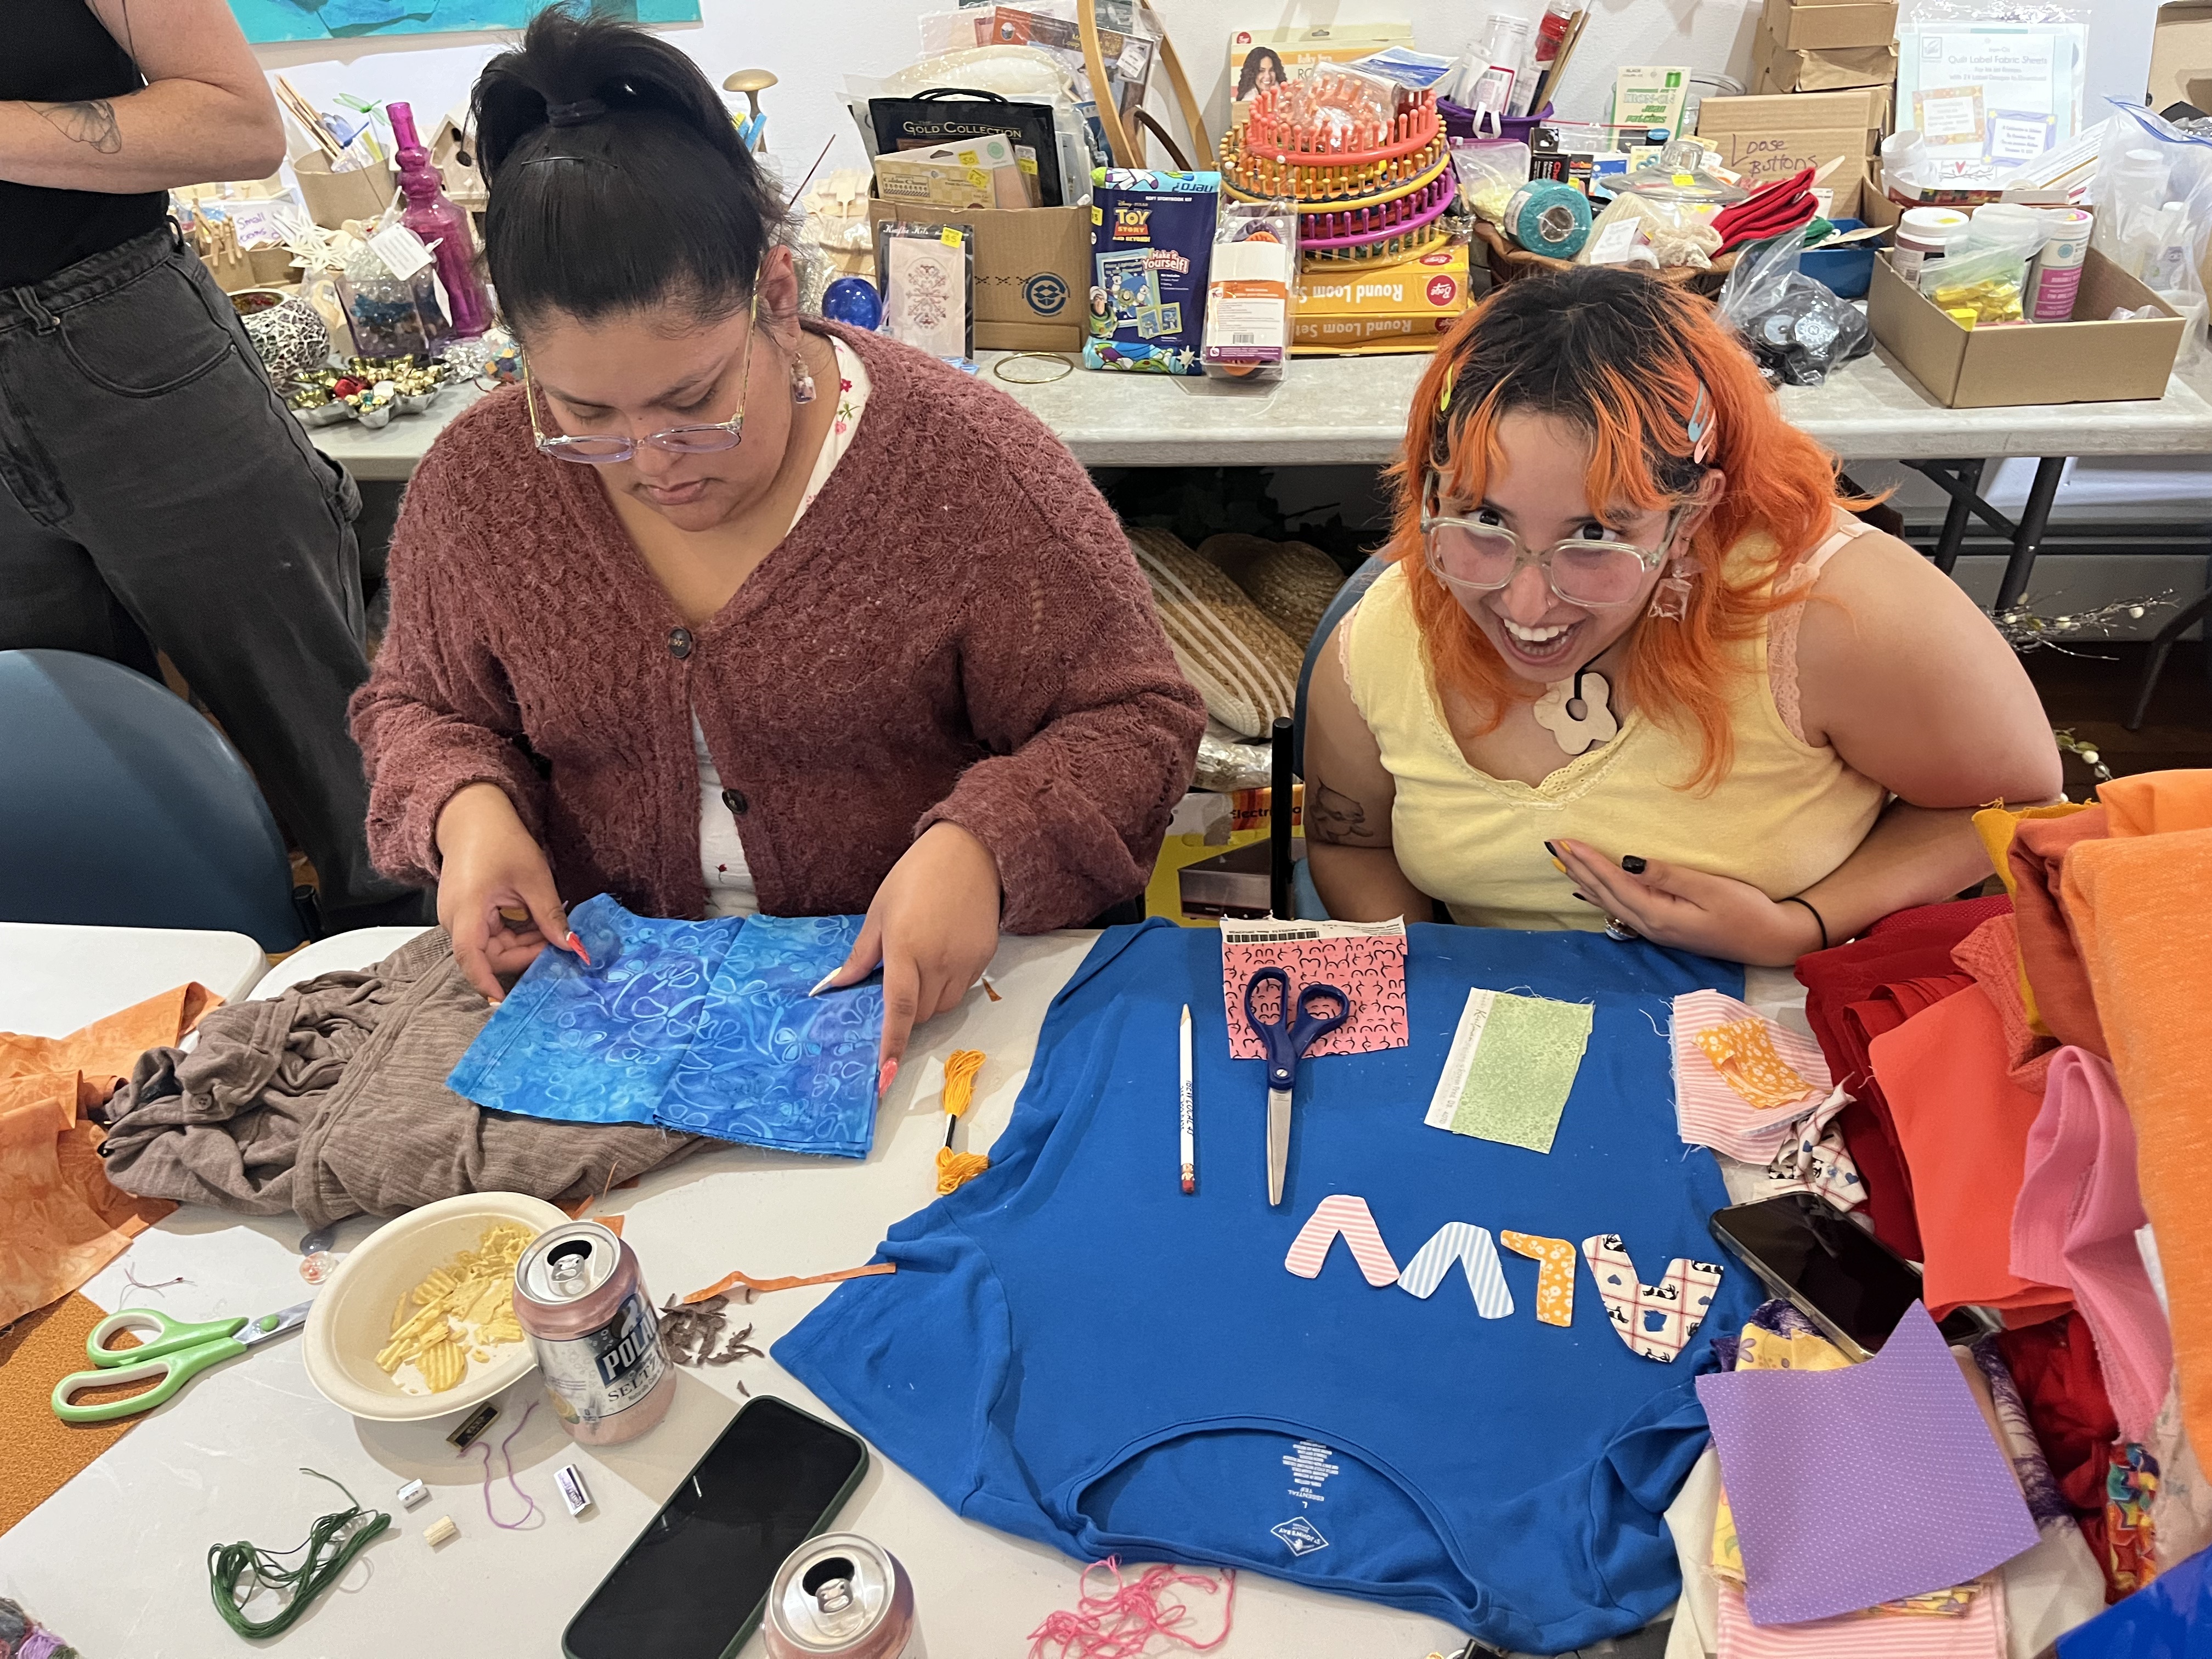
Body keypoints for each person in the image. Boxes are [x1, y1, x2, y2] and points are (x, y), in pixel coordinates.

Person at [351, 10, 1204, 1081]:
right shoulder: (483, 481)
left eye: (693, 402)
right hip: (609, 1023)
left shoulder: (967, 471)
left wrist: (984, 847)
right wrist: (466, 811)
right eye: (585, 414)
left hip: (922, 1022)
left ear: (781, 298)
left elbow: (1136, 720)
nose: (651, 463)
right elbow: (418, 706)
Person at [1304, 267, 2060, 965]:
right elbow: (1353, 847)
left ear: (1691, 512)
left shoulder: (1832, 614)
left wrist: (1804, 925)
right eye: (1483, 520)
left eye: (1596, 533)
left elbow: (2017, 800)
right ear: (1430, 493)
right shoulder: (1381, 644)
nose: (1526, 605)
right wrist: (1429, 984)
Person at [0, 0, 419, 930]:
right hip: (108, 340)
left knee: (352, 783)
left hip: (116, 335)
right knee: (70, 820)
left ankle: (438, 998)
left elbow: (237, 122)